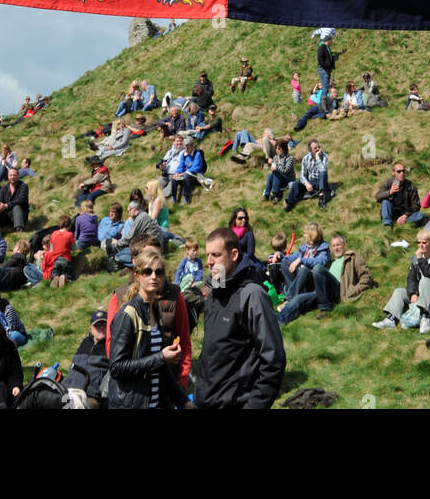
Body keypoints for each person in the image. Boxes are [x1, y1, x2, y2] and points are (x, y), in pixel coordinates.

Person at [194, 226, 285, 409]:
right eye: (207, 255)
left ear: (234, 254)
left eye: (216, 255)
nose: (209, 262)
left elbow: (273, 360)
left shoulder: (252, 295)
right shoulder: (213, 294)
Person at [107, 245, 191, 410]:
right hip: (129, 404)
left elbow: (159, 367)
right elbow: (116, 368)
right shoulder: (127, 314)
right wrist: (161, 357)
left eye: (158, 272)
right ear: (137, 275)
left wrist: (184, 401)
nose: (154, 276)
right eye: (147, 272)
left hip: (154, 403)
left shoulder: (155, 311)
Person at [372, 231, 430, 334]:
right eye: (419, 242)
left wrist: (421, 260)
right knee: (399, 291)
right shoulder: (415, 257)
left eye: (424, 242)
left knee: (425, 281)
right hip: (422, 294)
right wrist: (413, 294)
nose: (421, 245)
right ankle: (391, 320)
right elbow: (411, 278)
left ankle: (425, 317)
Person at [375, 161, 425, 228]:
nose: (402, 173)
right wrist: (390, 192)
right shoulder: (387, 183)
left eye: (403, 171)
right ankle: (387, 224)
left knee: (420, 215)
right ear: (393, 173)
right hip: (392, 211)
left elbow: (416, 205)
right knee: (385, 202)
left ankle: (403, 221)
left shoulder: (411, 185)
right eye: (399, 171)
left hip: (405, 212)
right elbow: (378, 197)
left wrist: (405, 215)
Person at [285, 137, 330, 211]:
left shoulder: (324, 156)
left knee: (322, 173)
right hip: (310, 181)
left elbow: (323, 170)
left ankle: (322, 198)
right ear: (310, 150)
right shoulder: (306, 158)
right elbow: (302, 175)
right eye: (315, 148)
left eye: (319, 147)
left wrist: (318, 158)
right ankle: (290, 203)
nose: (318, 149)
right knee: (295, 184)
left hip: (320, 181)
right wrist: (306, 183)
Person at [0, 166, 29, 233]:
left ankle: (19, 229)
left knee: (16, 206)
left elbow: (21, 199)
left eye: (14, 175)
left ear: (18, 176)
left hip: (20, 215)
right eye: (10, 175)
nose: (12, 177)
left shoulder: (23, 186)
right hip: (7, 215)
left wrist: (7, 205)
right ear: (8, 176)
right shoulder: (4, 188)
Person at [264, 138, 296, 203]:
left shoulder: (290, 158)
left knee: (276, 173)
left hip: (289, 179)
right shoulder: (275, 157)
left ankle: (277, 194)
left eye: (279, 148)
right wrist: (273, 166)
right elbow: (274, 170)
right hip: (279, 178)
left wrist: (276, 166)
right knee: (271, 174)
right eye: (276, 148)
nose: (277, 150)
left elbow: (285, 171)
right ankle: (266, 194)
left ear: (284, 149)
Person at [314, 28, 337, 100]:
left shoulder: (327, 47)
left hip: (327, 69)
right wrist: (325, 67)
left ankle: (325, 102)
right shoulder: (322, 47)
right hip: (324, 69)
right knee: (325, 87)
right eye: (331, 40)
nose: (332, 42)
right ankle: (322, 103)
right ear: (328, 40)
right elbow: (320, 58)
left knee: (326, 86)